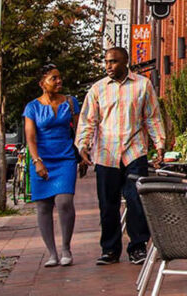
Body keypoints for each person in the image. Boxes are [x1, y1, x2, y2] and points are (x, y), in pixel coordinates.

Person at [75, 46, 165, 266]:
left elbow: (152, 117)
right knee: (108, 204)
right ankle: (110, 249)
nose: (108, 66)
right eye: (106, 62)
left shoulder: (142, 85)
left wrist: (160, 144)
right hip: (106, 154)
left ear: (125, 62)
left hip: (134, 151)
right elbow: (88, 121)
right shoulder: (97, 89)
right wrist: (83, 146)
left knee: (136, 201)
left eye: (113, 62)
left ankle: (137, 247)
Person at [23, 63, 84, 267]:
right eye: (53, 79)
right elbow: (30, 137)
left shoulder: (71, 102)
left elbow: (79, 131)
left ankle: (66, 247)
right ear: (42, 84)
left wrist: (82, 154)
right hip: (41, 158)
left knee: (65, 201)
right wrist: (37, 161)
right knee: (44, 206)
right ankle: (51, 253)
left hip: (65, 157)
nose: (59, 82)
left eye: (59, 77)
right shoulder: (32, 107)